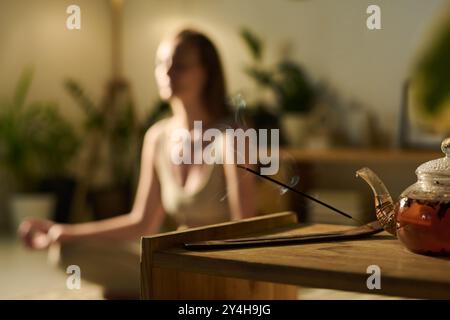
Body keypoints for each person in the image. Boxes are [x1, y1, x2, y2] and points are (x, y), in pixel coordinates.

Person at [18, 29, 257, 298]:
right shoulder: (157, 137)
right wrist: (62, 231)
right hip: (170, 263)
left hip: (216, 269)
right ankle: (159, 289)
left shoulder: (233, 135)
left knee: (117, 292)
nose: (167, 73)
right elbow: (142, 222)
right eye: (161, 64)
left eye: (180, 66)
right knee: (67, 252)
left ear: (206, 72)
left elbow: (245, 226)